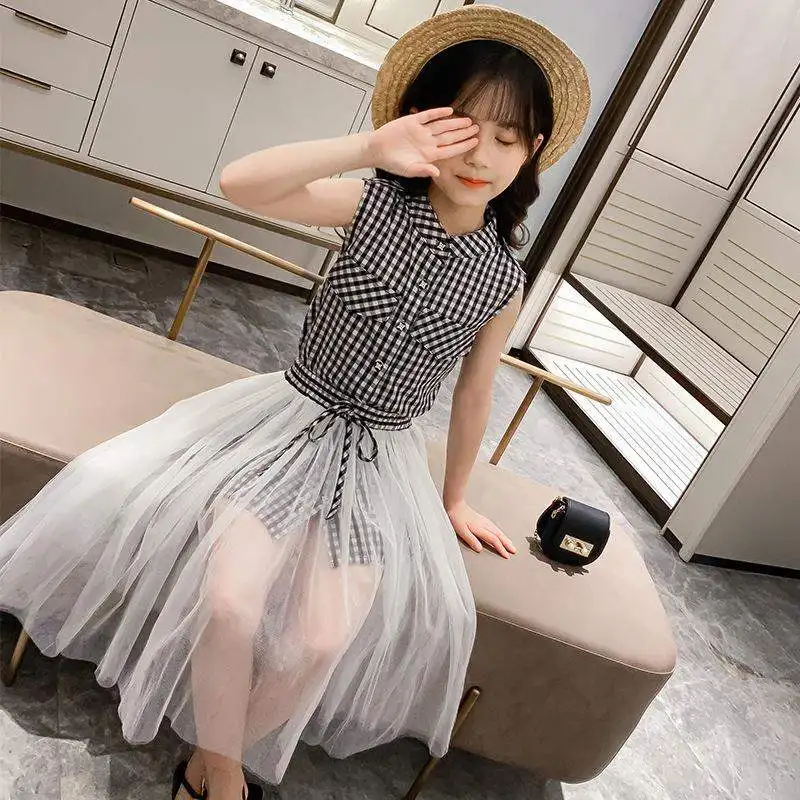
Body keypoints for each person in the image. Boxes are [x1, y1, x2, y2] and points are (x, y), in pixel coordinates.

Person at [0, 6, 588, 799]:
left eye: (508, 138)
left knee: (319, 641)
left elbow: (475, 390)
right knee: (230, 605)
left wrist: (452, 498)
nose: (481, 154)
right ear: (423, 122)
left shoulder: (501, 280)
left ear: (535, 149)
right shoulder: (373, 206)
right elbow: (240, 182)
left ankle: (213, 756)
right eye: (460, 128)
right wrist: (369, 148)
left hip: (382, 462)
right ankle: (220, 776)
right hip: (287, 427)